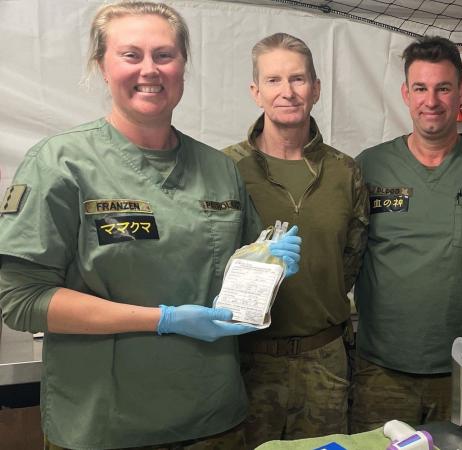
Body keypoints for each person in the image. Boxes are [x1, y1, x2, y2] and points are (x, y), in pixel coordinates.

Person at [0, 2, 301, 449]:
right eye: (130, 55)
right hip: (105, 425)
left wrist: (266, 266)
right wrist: (164, 320)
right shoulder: (60, 164)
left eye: (164, 55)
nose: (150, 69)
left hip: (213, 419)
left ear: (182, 65)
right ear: (102, 65)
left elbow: (234, 277)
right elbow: (21, 301)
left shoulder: (220, 169)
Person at [350, 36, 462, 432]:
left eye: (443, 88)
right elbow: (346, 253)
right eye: (421, 88)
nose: (432, 100)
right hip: (381, 371)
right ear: (406, 94)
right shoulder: (369, 168)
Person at [222, 33, 368, 443]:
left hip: (324, 362)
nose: (287, 92)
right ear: (256, 92)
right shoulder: (225, 169)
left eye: (298, 79)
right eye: (273, 80)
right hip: (248, 362)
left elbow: (351, 261)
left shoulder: (345, 172)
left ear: (316, 89)